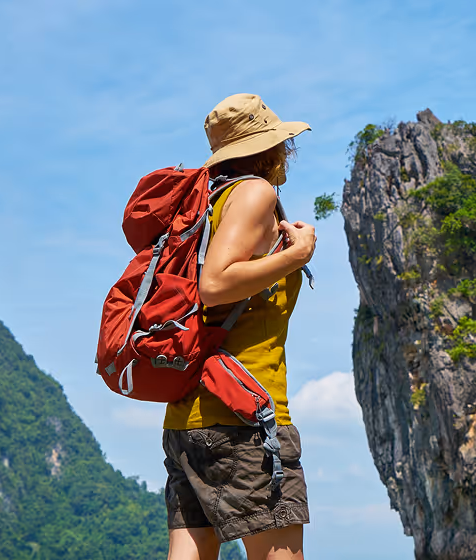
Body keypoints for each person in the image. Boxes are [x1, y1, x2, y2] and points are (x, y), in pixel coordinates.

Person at [161, 93, 316, 560]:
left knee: (193, 550)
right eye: (285, 145)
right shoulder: (255, 194)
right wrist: (297, 255)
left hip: (188, 417)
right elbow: (215, 283)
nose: (289, 153)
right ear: (271, 149)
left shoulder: (207, 204)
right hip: (245, 416)